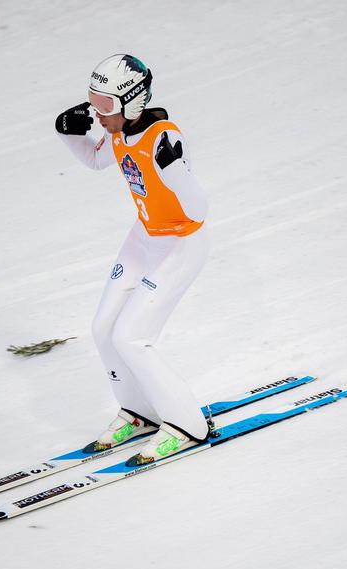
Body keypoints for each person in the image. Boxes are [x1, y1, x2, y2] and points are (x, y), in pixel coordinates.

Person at [54, 53, 211, 466]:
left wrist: (174, 172)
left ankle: (188, 425)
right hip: (143, 238)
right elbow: (94, 159)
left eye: (103, 105)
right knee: (104, 328)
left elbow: (196, 211)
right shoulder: (121, 132)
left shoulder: (163, 138)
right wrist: (69, 134)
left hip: (180, 244)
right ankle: (139, 412)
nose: (96, 113)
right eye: (91, 101)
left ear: (131, 101)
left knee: (131, 338)